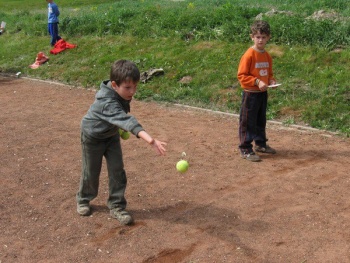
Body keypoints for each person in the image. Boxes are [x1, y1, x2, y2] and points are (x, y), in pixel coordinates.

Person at [76, 59, 167, 225]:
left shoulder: (120, 92)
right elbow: (127, 120)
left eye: (135, 87)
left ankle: (116, 206)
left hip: (110, 135)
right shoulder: (106, 102)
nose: (132, 92)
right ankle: (83, 199)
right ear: (114, 85)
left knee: (117, 170)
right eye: (128, 88)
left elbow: (119, 118)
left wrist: (118, 126)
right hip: (93, 137)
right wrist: (151, 140)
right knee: (91, 171)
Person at [237, 20, 278, 162]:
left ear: (268, 38)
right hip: (251, 94)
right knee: (248, 121)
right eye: (257, 37)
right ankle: (245, 148)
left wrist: (271, 80)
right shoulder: (249, 55)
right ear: (252, 37)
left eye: (263, 37)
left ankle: (260, 144)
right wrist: (256, 81)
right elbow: (242, 76)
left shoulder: (267, 56)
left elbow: (269, 73)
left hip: (262, 94)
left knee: (261, 119)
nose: (260, 40)